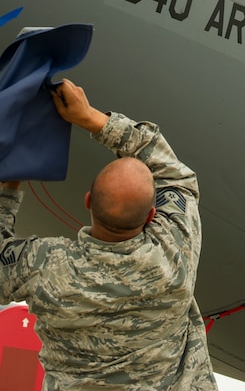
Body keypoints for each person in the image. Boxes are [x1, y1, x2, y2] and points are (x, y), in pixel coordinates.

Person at [0, 78, 217, 390]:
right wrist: (90, 117)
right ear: (152, 216)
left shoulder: (44, 266)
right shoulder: (173, 258)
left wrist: (10, 188)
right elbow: (174, 174)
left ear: (88, 200)